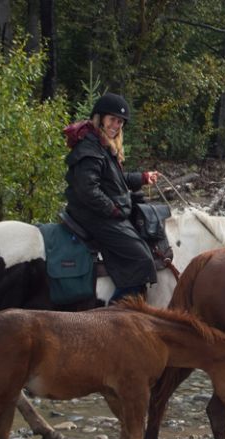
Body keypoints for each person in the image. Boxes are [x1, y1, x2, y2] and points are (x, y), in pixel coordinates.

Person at [63, 92, 160, 302]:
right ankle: (119, 312)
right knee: (141, 258)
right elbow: (87, 189)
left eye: (120, 122)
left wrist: (142, 178)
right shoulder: (90, 147)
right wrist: (113, 210)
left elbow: (114, 181)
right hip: (92, 214)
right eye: (112, 119)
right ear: (100, 119)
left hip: (98, 209)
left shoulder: (102, 145)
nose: (116, 125)